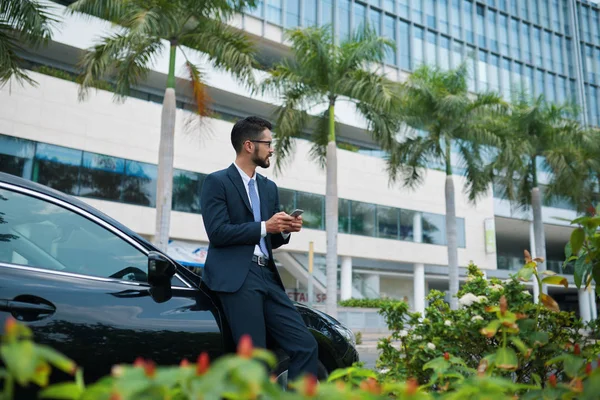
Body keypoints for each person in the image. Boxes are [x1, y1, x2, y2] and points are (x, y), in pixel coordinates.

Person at [200, 116, 319, 380]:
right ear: (249, 145)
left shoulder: (269, 187)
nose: (272, 149)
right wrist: (266, 226)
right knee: (255, 358)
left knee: (305, 345)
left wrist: (284, 230)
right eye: (268, 143)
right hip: (238, 278)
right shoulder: (217, 182)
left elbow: (270, 238)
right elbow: (218, 233)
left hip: (268, 276)